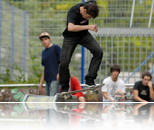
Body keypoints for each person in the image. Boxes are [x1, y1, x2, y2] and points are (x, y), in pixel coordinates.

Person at [59, 0, 103, 92]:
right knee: (64, 63)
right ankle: (65, 86)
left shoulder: (90, 5)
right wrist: (88, 27)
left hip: (83, 35)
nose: (89, 19)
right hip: (70, 37)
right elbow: (70, 28)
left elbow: (93, 2)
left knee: (98, 52)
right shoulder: (73, 11)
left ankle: (90, 79)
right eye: (88, 17)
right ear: (84, 11)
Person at [38, 32, 61, 96]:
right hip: (47, 80)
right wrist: (41, 82)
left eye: (46, 39)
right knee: (48, 99)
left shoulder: (56, 48)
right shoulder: (43, 52)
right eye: (42, 40)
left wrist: (59, 73)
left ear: (49, 39)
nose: (44, 41)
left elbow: (62, 62)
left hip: (55, 79)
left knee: (52, 99)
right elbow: (45, 68)